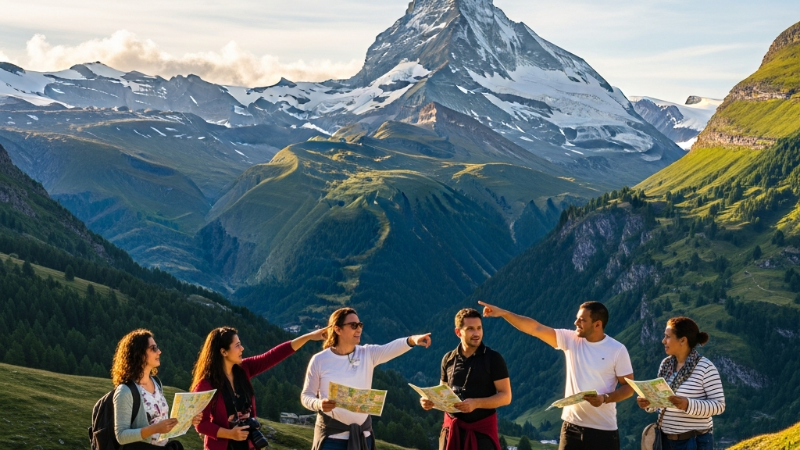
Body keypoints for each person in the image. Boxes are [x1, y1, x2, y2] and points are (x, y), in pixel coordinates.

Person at [479, 300, 633, 450]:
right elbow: (535, 328)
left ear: (597, 324)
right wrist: (504, 313)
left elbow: (628, 387)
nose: (576, 323)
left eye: (582, 320)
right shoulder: (571, 339)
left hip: (603, 431)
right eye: (577, 318)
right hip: (571, 427)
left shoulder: (617, 350)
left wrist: (605, 399)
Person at [301, 307, 432, 450]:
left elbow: (390, 348)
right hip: (332, 439)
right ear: (337, 329)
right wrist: (319, 404)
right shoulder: (320, 360)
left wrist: (413, 340)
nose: (358, 329)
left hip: (364, 437)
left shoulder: (367, 353)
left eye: (360, 325)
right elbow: (306, 396)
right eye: (353, 326)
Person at [191, 326, 326, 450]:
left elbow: (273, 355)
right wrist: (230, 434)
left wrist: (308, 337)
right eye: (237, 345)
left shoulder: (244, 369)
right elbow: (201, 424)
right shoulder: (206, 385)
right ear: (223, 352)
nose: (242, 348)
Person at [421, 308, 511, 450]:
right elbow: (442, 392)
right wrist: (431, 401)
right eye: (470, 329)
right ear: (458, 332)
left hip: (482, 435)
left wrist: (476, 403)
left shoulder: (493, 358)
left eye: (479, 328)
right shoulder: (448, 359)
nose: (476, 333)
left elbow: (506, 396)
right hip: (451, 432)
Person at [636, 317, 724, 450]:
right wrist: (649, 402)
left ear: (683, 340)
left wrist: (688, 404)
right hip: (665, 440)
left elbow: (719, 405)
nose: (663, 341)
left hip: (693, 441)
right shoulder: (666, 365)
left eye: (668, 337)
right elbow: (662, 401)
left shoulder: (705, 367)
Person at [112, 329, 201, 450]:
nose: (159, 352)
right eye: (153, 348)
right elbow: (121, 436)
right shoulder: (125, 391)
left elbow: (163, 425)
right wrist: (155, 429)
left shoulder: (156, 382)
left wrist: (188, 420)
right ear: (139, 353)